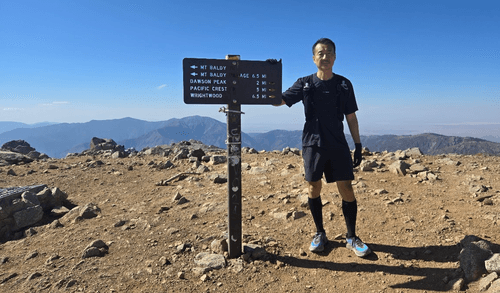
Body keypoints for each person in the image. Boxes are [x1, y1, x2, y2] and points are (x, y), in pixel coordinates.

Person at [273, 38, 371, 257]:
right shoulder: (304, 83)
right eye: (320, 53)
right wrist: (269, 80)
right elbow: (279, 100)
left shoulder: (344, 84)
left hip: (337, 143)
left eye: (329, 53)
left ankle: (351, 237)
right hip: (312, 144)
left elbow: (351, 117)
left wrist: (357, 144)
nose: (325, 57)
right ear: (313, 58)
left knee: (346, 188)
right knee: (313, 188)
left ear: (335, 57)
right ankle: (319, 233)